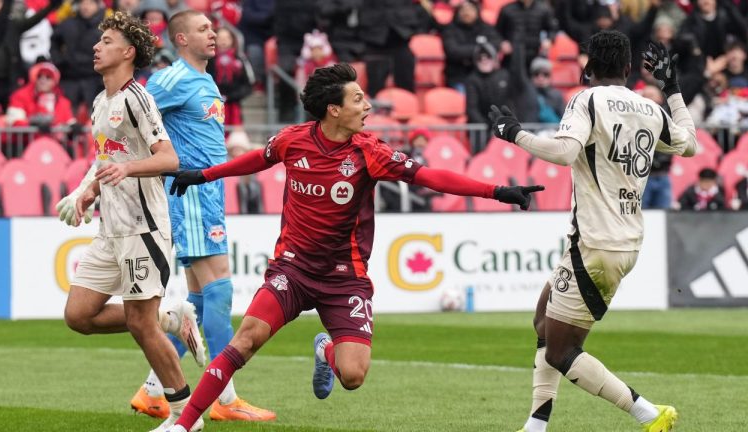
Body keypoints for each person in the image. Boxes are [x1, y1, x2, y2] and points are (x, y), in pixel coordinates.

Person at [160, 63, 544, 432]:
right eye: (358, 99)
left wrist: (496, 191)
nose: (368, 106)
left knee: (353, 376)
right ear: (334, 109)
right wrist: (205, 175)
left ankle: (325, 348)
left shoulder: (369, 152)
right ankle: (182, 424)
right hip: (291, 271)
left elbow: (429, 177)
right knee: (246, 340)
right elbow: (256, 160)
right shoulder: (293, 141)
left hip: (345, 280)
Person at [487, 31, 697, 432]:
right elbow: (690, 146)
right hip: (624, 240)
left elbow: (565, 152)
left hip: (596, 244)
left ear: (588, 65)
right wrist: (671, 89)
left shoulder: (586, 99)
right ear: (629, 68)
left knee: (562, 352)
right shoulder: (650, 107)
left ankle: (650, 414)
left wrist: (514, 133)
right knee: (542, 320)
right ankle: (536, 422)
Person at [60, 12, 206, 432]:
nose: (95, 46)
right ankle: (171, 317)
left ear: (127, 52)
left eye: (105, 40)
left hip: (144, 227)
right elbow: (106, 159)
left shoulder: (136, 97)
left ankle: (184, 417)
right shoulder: (100, 102)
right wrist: (86, 191)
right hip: (111, 229)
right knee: (78, 316)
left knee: (140, 323)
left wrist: (129, 169)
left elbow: (169, 159)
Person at [141, 10, 275, 423]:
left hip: (209, 191)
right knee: (220, 291)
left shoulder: (205, 80)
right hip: (192, 192)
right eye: (202, 29)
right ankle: (225, 397)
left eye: (212, 27)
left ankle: (152, 392)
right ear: (180, 38)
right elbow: (135, 113)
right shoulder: (171, 78)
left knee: (198, 299)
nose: (213, 33)